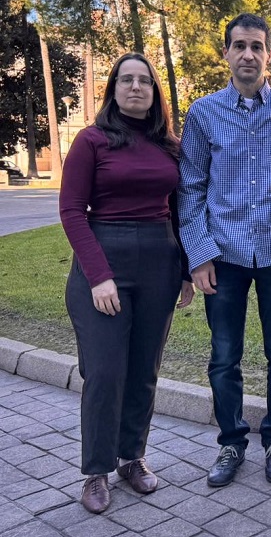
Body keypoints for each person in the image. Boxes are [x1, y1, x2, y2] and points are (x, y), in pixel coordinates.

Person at [60, 52, 194, 514]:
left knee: (144, 370)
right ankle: (96, 471)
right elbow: (72, 212)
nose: (136, 87)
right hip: (104, 259)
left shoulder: (169, 146)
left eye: (145, 81)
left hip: (159, 261)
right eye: (126, 80)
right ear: (114, 89)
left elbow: (179, 212)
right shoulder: (91, 141)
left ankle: (131, 457)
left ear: (155, 92)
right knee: (104, 372)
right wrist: (99, 277)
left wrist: (184, 272)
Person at [178, 13, 271, 488]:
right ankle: (231, 442)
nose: (248, 54)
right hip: (223, 258)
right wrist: (199, 254)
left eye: (257, 46)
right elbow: (190, 189)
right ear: (226, 54)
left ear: (269, 55)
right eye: (239, 46)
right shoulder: (203, 113)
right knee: (223, 356)